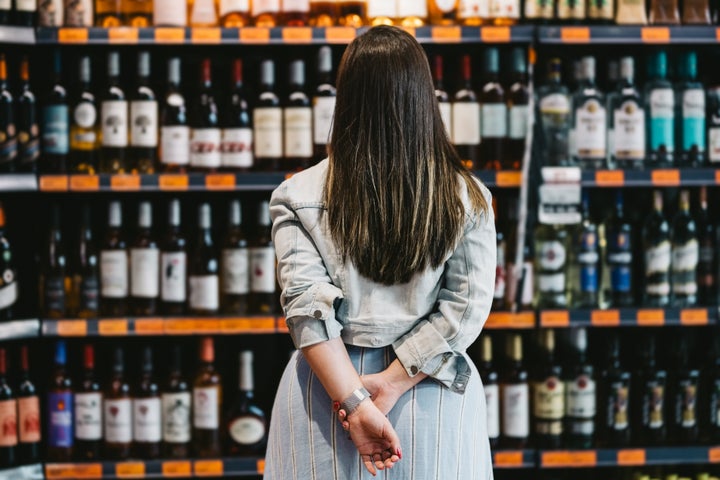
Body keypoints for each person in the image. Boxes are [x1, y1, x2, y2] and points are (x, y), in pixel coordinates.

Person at [264, 25, 496, 480]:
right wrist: (389, 385)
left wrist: (354, 399)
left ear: (345, 96)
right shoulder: (469, 196)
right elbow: (466, 310)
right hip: (431, 389)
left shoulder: (296, 193)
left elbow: (307, 311)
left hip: (324, 395)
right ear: (422, 96)